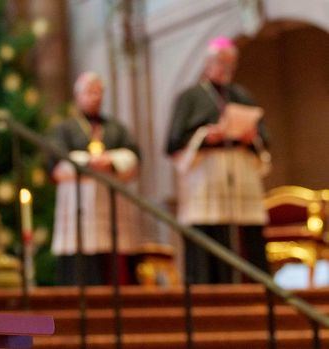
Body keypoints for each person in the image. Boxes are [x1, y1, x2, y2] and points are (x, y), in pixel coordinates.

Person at [165, 37, 270, 284]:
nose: (226, 69)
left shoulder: (242, 95)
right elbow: (174, 141)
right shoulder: (190, 97)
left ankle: (255, 291)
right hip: (206, 177)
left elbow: (264, 137)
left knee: (247, 236)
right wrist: (206, 136)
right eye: (221, 63)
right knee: (207, 237)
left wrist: (250, 137)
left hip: (240, 174)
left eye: (230, 64)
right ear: (207, 64)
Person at [49, 72, 141, 285]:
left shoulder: (115, 128)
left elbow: (134, 156)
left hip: (111, 203)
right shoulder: (65, 128)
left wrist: (110, 160)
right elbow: (56, 161)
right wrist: (89, 162)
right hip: (77, 203)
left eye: (99, 92)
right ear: (77, 95)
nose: (95, 97)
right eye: (90, 92)